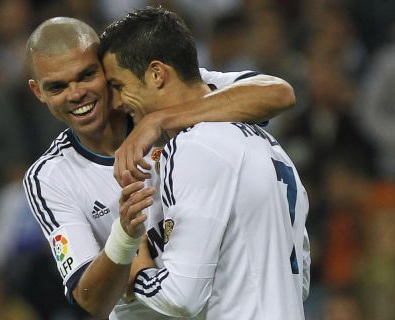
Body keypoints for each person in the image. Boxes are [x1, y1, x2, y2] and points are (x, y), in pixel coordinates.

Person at [24, 16, 297, 319]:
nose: (76, 94)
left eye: (87, 75)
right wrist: (124, 240)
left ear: (105, 68)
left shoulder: (160, 95)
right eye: (58, 87)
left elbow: (279, 93)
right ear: (38, 92)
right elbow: (91, 300)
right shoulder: (51, 176)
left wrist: (160, 120)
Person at [99, 7, 309, 319]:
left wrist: (137, 268)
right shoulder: (268, 145)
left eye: (118, 86)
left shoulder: (192, 147)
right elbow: (302, 279)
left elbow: (181, 298)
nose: (115, 103)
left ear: (157, 74)